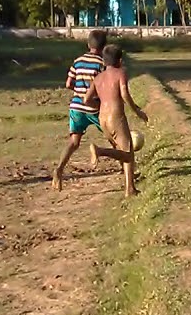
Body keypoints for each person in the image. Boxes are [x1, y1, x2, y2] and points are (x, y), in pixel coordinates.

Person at [85, 44, 148, 197]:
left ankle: (130, 189)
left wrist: (100, 106)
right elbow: (125, 94)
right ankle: (100, 151)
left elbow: (86, 99)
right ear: (119, 60)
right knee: (127, 153)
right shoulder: (120, 73)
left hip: (103, 119)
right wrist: (137, 111)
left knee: (124, 151)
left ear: (104, 62)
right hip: (116, 117)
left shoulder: (98, 77)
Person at [53, 29, 107, 191]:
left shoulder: (78, 61)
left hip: (76, 106)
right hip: (94, 107)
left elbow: (69, 83)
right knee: (113, 137)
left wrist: (79, 92)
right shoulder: (101, 63)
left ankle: (59, 169)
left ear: (88, 44)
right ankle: (126, 170)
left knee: (74, 142)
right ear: (104, 46)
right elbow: (103, 86)